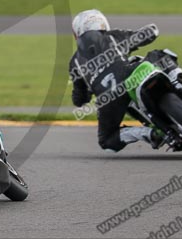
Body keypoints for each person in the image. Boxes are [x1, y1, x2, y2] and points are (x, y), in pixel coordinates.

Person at [69, 9, 164, 152]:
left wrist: (88, 91)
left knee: (106, 140)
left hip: (107, 99)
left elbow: (79, 99)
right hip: (129, 74)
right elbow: (149, 35)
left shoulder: (74, 63)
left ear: (77, 32)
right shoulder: (113, 36)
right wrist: (151, 29)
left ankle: (148, 133)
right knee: (160, 56)